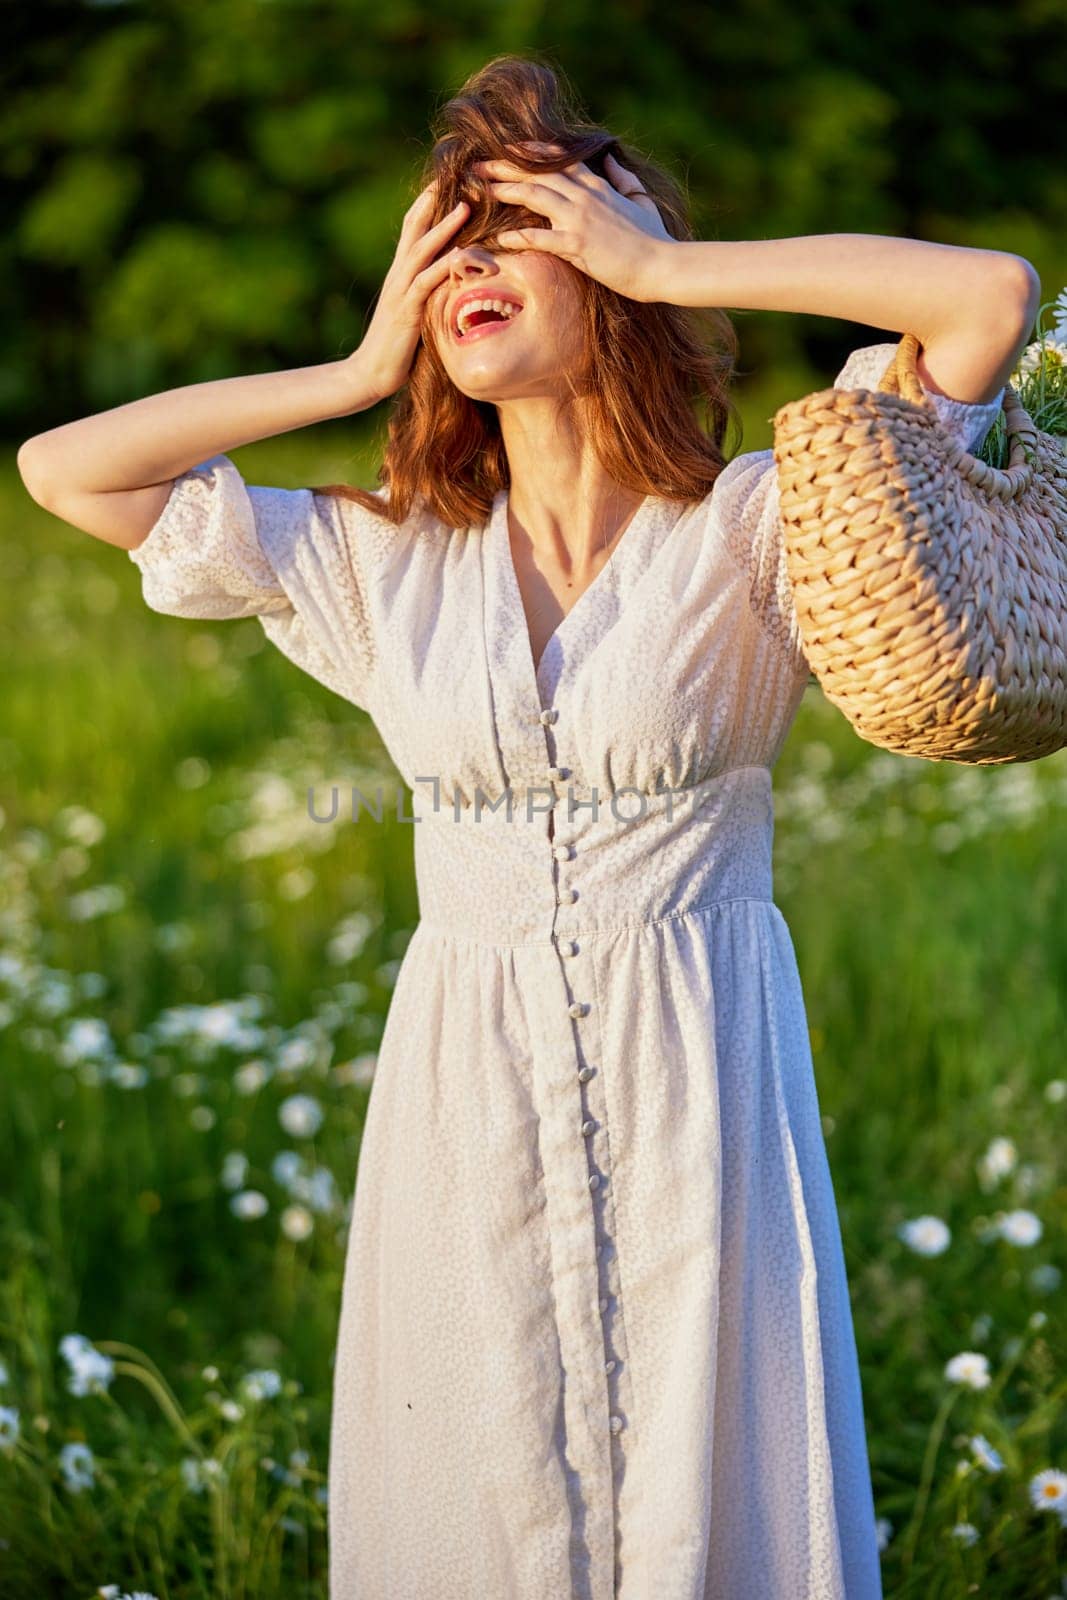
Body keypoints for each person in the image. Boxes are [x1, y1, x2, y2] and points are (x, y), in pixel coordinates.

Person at [17, 52, 1033, 1600]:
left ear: (609, 262)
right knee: (478, 1485)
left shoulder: (766, 519)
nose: (469, 263)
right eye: (448, 236)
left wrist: (665, 262)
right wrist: (355, 370)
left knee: (715, 1494)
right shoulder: (383, 563)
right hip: (463, 1100)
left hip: (700, 1076)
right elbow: (60, 471)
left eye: (517, 225)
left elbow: (988, 299)